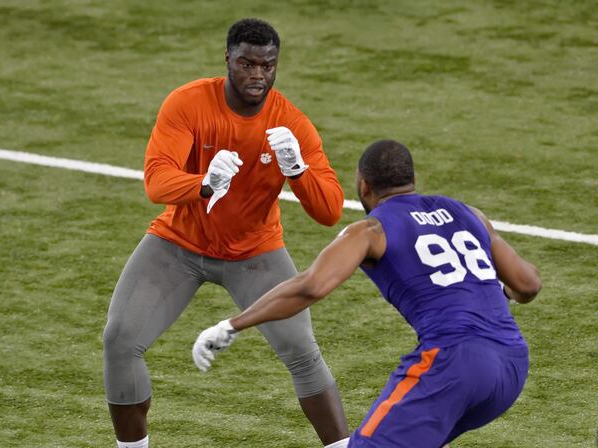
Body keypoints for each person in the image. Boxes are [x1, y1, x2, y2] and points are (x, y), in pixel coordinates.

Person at [193, 139, 542, 447]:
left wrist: (233, 324)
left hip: (454, 362)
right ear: (413, 181)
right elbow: (527, 285)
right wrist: (487, 289)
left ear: (363, 185)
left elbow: (310, 286)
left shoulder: (371, 229)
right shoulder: (468, 213)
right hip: (512, 365)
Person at [102, 18, 349, 448]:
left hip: (255, 253)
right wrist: (202, 183)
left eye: (267, 66)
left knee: (302, 353)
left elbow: (329, 211)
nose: (257, 75)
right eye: (247, 64)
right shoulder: (187, 103)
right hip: (177, 245)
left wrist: (298, 171)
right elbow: (157, 182)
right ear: (228, 60)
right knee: (120, 341)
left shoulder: (291, 123)